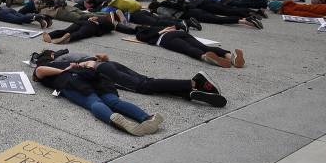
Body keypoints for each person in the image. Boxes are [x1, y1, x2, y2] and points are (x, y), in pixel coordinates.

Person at [35, 50, 227, 107]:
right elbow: (97, 57)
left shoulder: (60, 61)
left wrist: (91, 65)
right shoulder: (65, 57)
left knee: (143, 85)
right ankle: (190, 93)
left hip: (104, 71)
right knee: (147, 82)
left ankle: (193, 82)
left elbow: (89, 61)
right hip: (110, 65)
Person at [33, 57, 163, 135]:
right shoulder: (73, 62)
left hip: (73, 81)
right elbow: (92, 62)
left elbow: (39, 71)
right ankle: (146, 118)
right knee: (114, 102)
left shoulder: (50, 67)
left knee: (94, 102)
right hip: (96, 79)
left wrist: (64, 70)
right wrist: (79, 66)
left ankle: (113, 118)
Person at [134, 25, 244, 68]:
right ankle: (230, 56)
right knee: (204, 46)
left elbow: (144, 38)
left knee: (187, 49)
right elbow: (175, 25)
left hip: (165, 38)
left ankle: (205, 57)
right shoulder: (157, 24)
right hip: (178, 33)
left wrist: (162, 31)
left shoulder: (140, 32)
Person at [41, 14, 117, 44]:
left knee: (66, 30)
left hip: (86, 24)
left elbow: (83, 16)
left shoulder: (101, 19)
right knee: (78, 34)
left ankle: (51, 35)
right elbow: (111, 27)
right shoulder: (106, 22)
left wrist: (93, 18)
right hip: (89, 25)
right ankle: (68, 37)